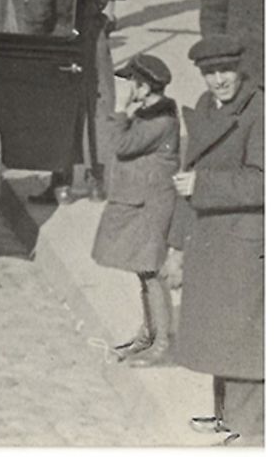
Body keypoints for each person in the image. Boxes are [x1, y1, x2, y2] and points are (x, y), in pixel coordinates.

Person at [170, 34, 264, 445]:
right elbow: (183, 179)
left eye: (225, 71)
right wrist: (175, 247)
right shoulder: (208, 107)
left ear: (239, 69)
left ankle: (251, 436)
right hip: (210, 241)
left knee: (244, 342)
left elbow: (263, 181)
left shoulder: (261, 111)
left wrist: (202, 185)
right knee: (218, 339)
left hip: (245, 245)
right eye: (210, 73)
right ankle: (229, 424)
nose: (219, 80)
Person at [91, 52, 182, 367]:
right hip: (141, 201)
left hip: (151, 205)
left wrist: (122, 114)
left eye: (134, 83)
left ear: (146, 87)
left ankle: (161, 342)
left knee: (151, 272)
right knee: (143, 272)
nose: (130, 88)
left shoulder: (160, 120)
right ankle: (148, 334)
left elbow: (120, 145)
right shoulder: (151, 114)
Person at [41, 0, 120, 200]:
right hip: (96, 42)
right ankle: (96, 181)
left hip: (63, 40)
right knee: (98, 106)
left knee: (61, 108)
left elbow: (38, 12)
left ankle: (60, 184)